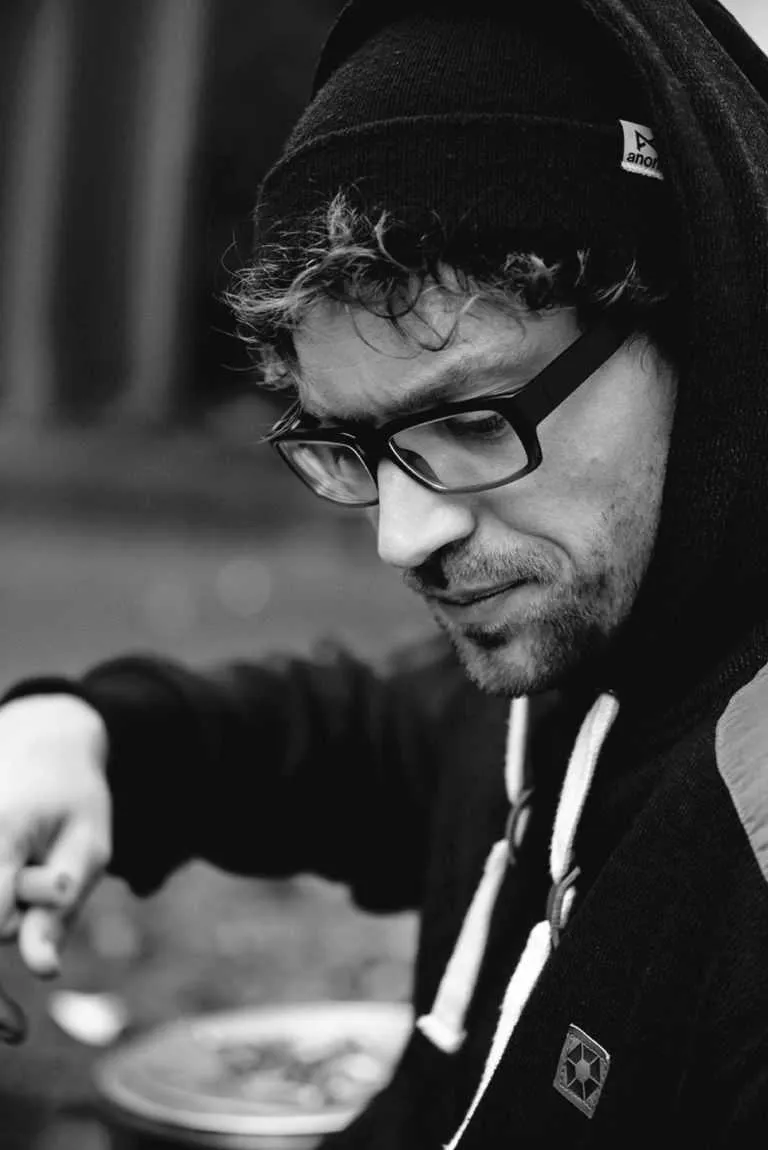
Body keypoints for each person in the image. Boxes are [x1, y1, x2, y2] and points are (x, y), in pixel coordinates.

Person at [0, 0, 767, 1143]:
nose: (403, 536)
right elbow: (381, 739)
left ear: (705, 330)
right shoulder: (593, 649)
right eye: (352, 445)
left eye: (467, 421)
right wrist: (91, 737)